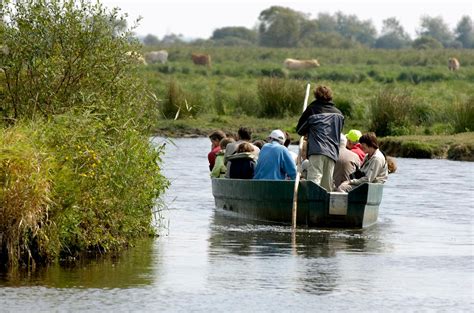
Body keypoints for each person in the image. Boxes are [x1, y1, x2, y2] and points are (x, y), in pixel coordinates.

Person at [296, 85, 344, 191]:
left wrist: (309, 131)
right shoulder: (339, 114)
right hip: (332, 152)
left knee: (314, 182)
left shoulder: (312, 110)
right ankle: (323, 207)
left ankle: (313, 206)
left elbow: (300, 130)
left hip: (317, 151)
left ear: (316, 95)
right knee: (327, 186)